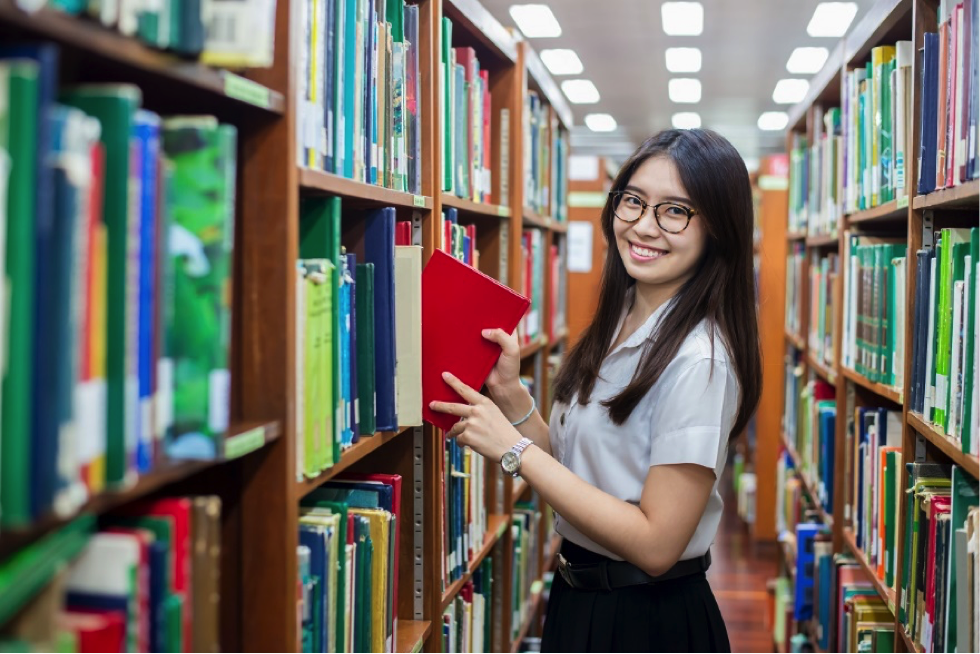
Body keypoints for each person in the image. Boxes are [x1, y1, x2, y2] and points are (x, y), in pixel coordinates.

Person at [429, 128, 762, 653]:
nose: (643, 226)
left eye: (675, 211)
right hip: (577, 597)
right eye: (633, 201)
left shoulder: (701, 361)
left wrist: (513, 452)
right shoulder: (622, 318)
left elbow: (656, 544)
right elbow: (580, 472)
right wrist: (513, 397)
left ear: (718, 229)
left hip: (647, 620)